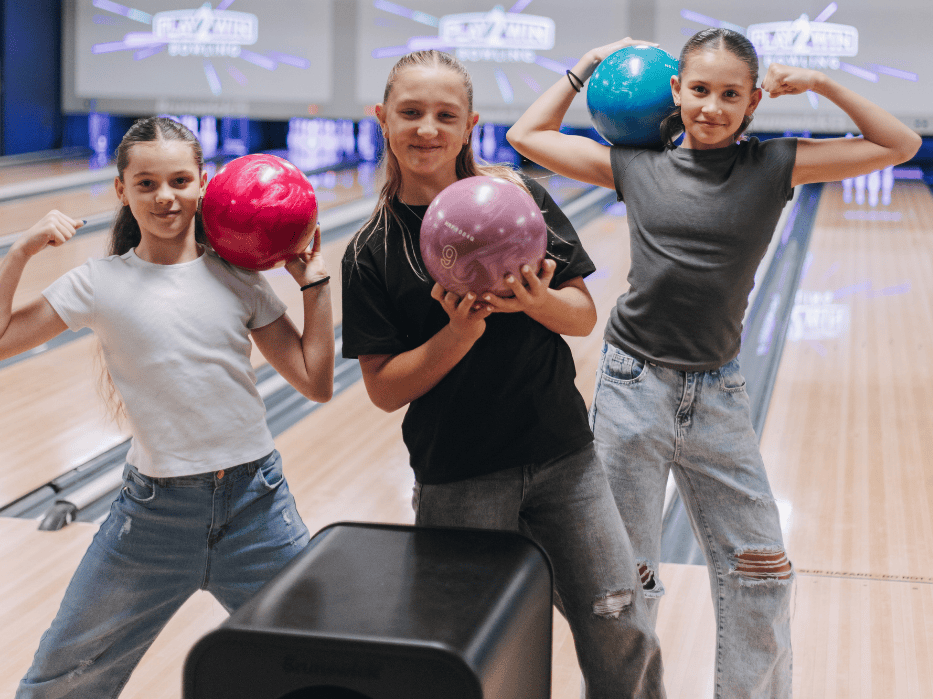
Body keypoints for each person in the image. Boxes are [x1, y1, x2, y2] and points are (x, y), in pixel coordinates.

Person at [506, 28, 922, 697]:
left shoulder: (775, 164)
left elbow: (898, 146)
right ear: (677, 91)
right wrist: (587, 66)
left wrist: (821, 84)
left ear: (754, 101)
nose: (712, 106)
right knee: (624, 579)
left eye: (731, 95)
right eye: (699, 90)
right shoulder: (635, 165)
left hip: (719, 393)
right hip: (632, 383)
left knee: (763, 571)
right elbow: (529, 135)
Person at [341, 50, 665, 698]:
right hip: (458, 476)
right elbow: (384, 389)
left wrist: (537, 302)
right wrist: (458, 334)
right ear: (381, 118)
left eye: (445, 115)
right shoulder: (372, 248)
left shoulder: (521, 200)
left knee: (622, 625)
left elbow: (579, 316)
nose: (427, 128)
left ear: (470, 126)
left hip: (565, 462)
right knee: (474, 652)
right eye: (410, 113)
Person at [1, 117, 335, 698]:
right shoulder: (98, 282)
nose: (165, 196)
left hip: (256, 508)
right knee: (59, 683)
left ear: (204, 183)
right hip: (152, 519)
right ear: (121, 190)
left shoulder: (239, 278)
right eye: (147, 183)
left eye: (180, 180)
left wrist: (315, 286)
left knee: (322, 675)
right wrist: (21, 250)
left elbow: (315, 381)